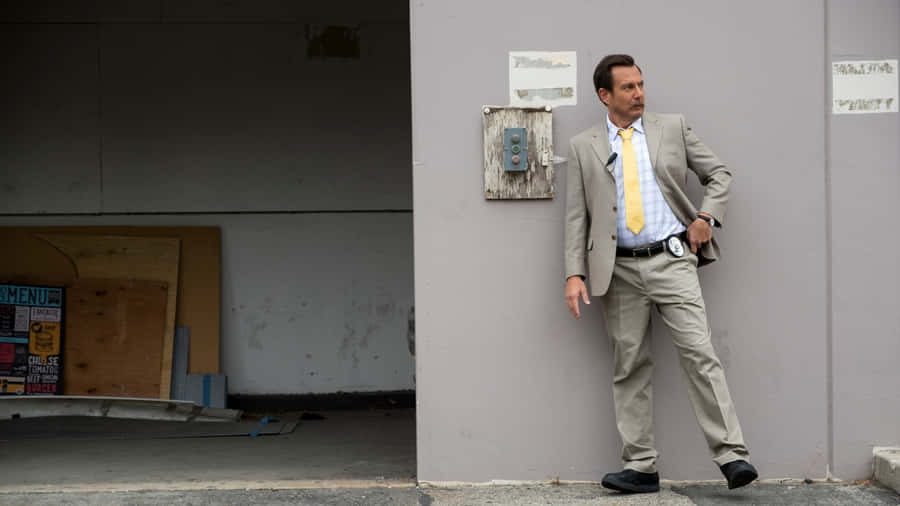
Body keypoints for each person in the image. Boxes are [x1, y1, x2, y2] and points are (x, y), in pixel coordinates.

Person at [564, 54, 758, 493]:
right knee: (629, 366)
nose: (639, 94)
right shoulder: (584, 146)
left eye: (641, 84)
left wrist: (707, 216)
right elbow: (578, 216)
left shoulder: (671, 128)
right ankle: (640, 466)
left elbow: (719, 173)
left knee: (699, 354)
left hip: (672, 260)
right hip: (619, 271)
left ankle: (732, 456)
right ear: (604, 95)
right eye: (628, 88)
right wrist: (574, 274)